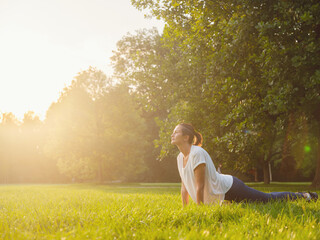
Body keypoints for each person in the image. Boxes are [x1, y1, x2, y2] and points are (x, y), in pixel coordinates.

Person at [171, 123, 318, 206]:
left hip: (230, 187)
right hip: (221, 195)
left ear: (186, 137)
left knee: (266, 199)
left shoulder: (197, 153)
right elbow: (184, 186)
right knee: (247, 205)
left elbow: (200, 186)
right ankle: (231, 203)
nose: (172, 134)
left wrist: (200, 210)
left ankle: (305, 196)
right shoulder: (180, 157)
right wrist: (185, 209)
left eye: (176, 132)